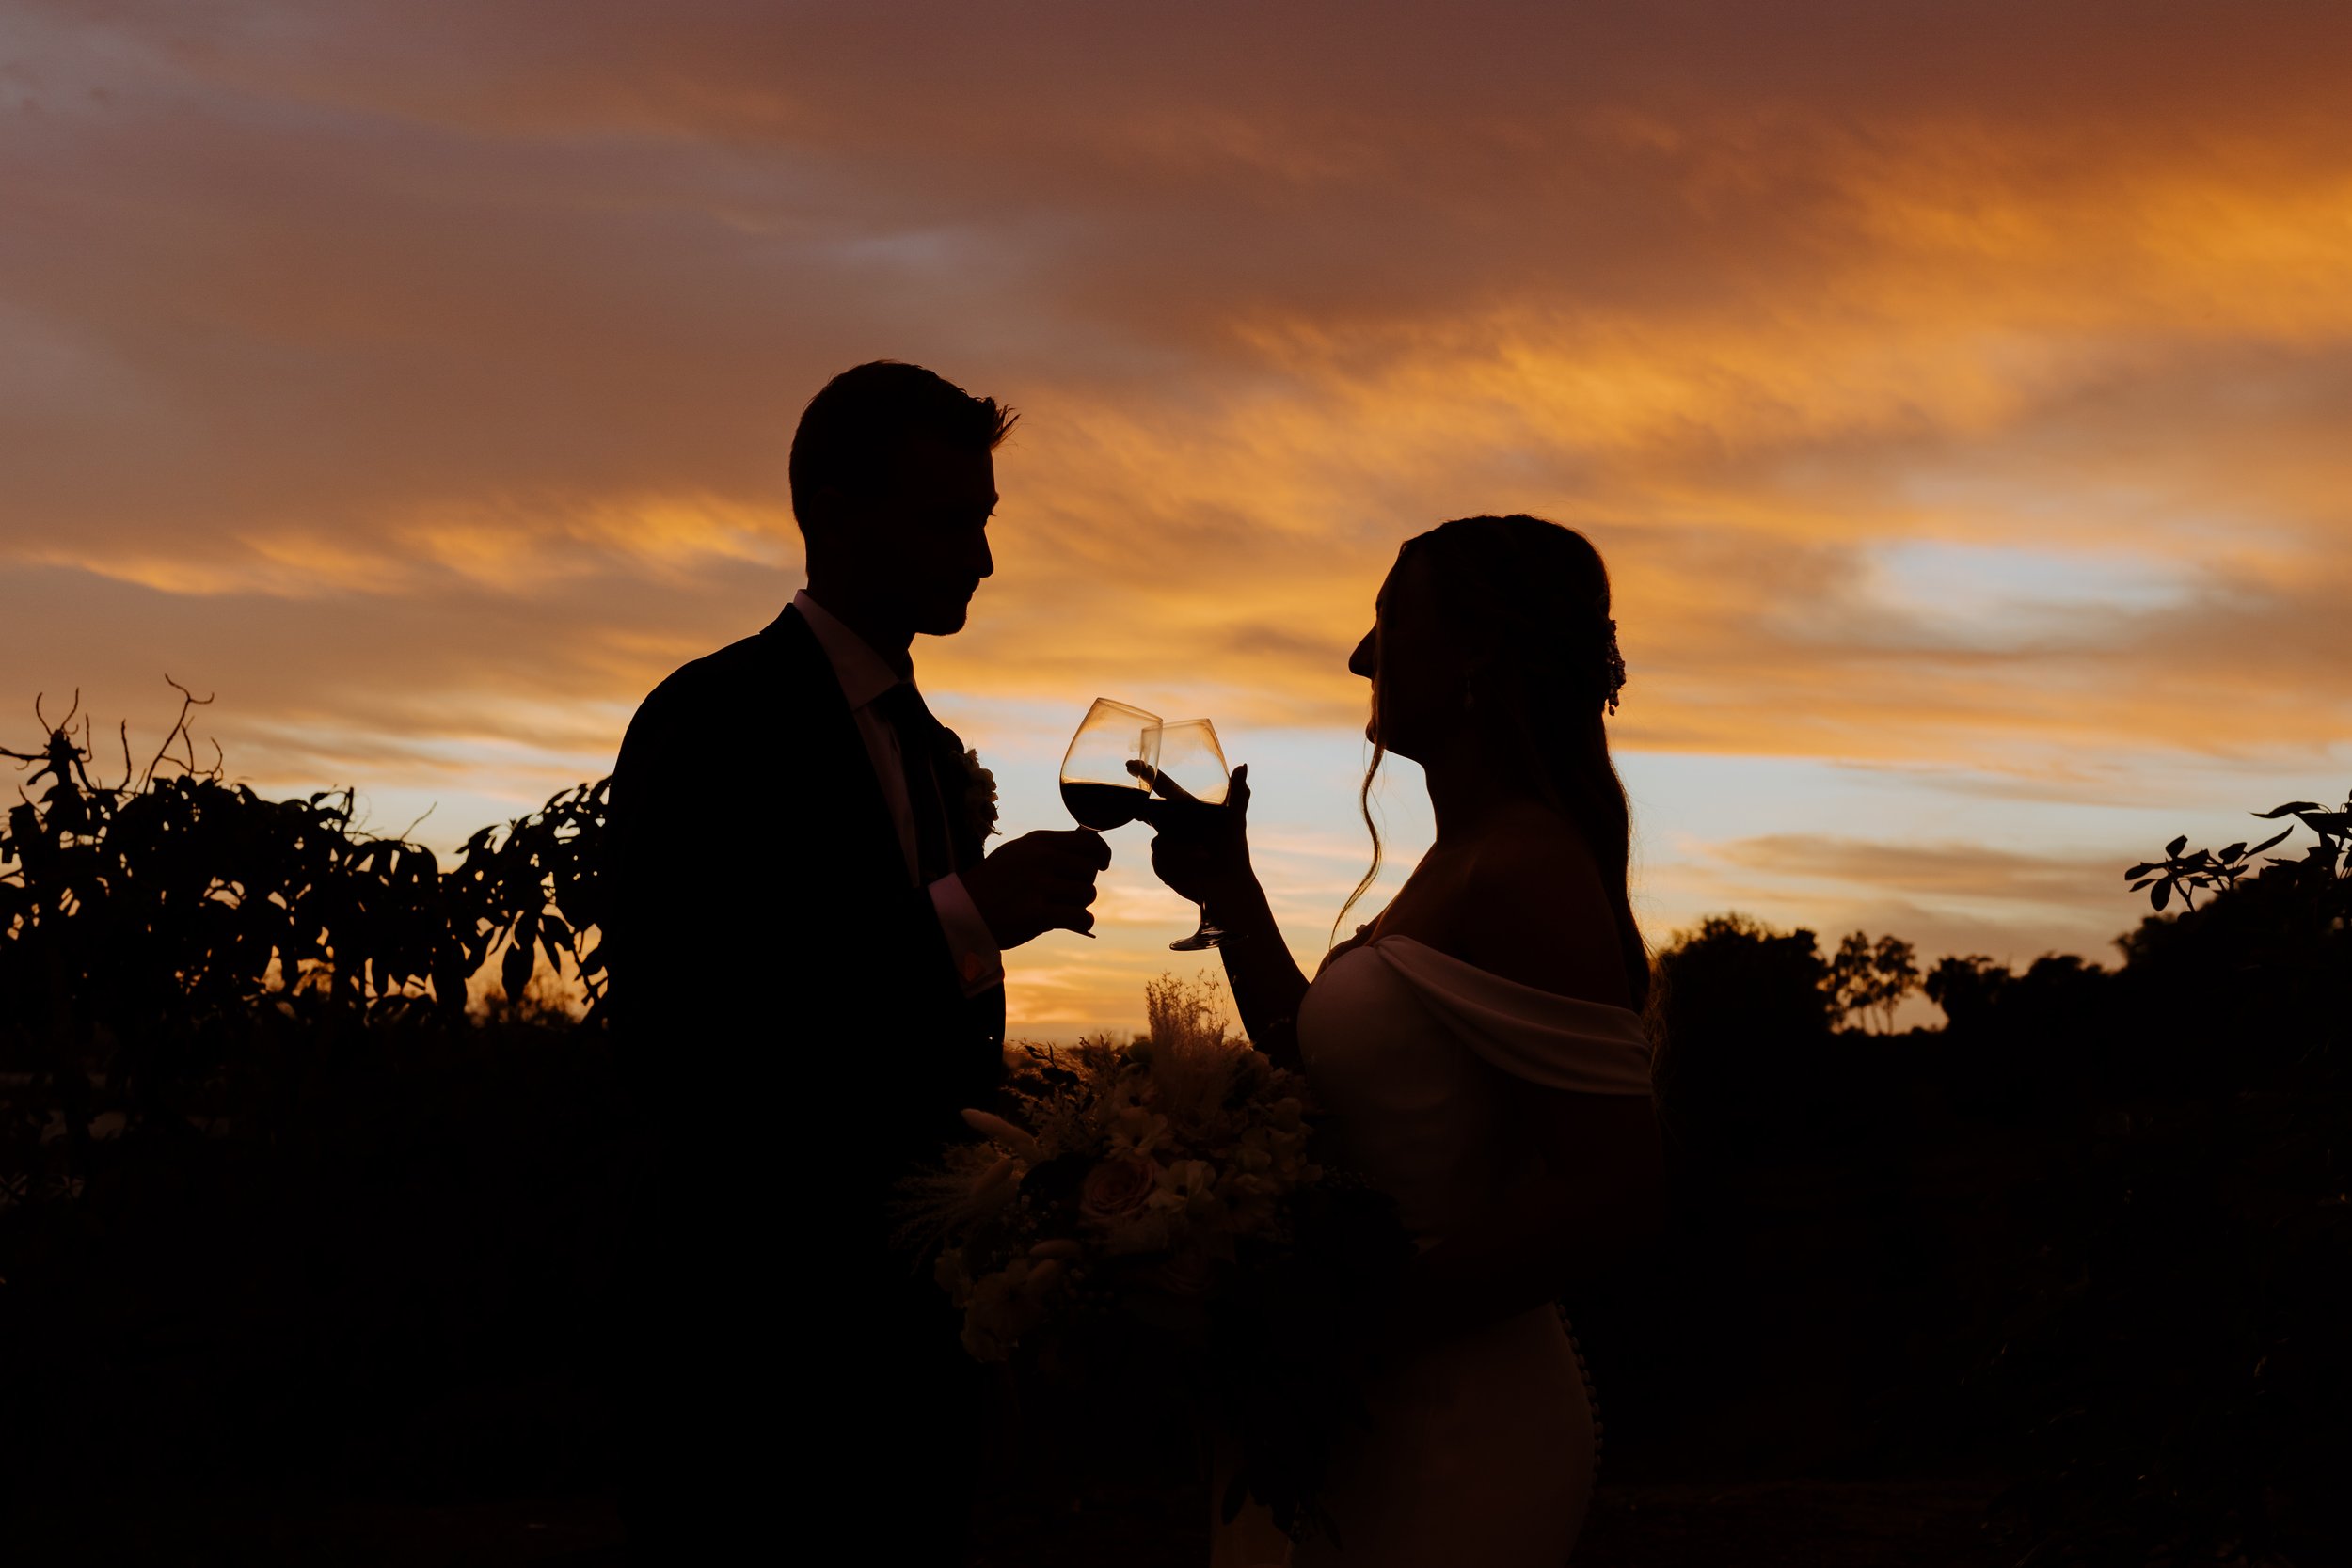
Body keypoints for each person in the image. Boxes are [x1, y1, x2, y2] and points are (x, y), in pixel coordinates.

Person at [604, 361, 1111, 1564]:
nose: (982, 561)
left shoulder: (926, 749)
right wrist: (962, 914)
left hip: (916, 1332)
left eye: (984, 521)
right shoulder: (711, 719)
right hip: (752, 1337)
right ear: (834, 515)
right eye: (953, 521)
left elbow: (918, 1024)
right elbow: (697, 1013)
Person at [1143, 515, 1664, 1567]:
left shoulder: (1524, 867)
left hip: (1455, 1416)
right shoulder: (1456, 858)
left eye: (1386, 617)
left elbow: (1611, 1189)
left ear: (1474, 648)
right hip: (1366, 1399)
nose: (1358, 656)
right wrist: (1230, 885)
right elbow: (1323, 1066)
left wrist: (1337, 1330)